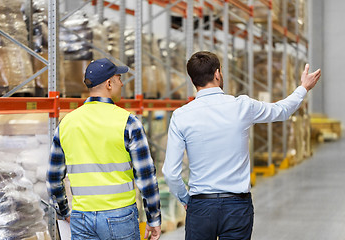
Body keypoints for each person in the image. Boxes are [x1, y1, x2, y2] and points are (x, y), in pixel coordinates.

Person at [162, 51, 321, 240]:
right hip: (236, 207)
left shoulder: (181, 116)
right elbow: (282, 111)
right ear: (217, 74)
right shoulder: (242, 106)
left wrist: (188, 200)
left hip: (201, 206)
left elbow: (171, 173)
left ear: (192, 79)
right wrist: (303, 87)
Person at [46, 58, 161, 240]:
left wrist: (64, 211)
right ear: (109, 83)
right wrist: (153, 218)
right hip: (119, 216)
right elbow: (146, 176)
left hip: (81, 216)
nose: (122, 84)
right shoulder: (128, 122)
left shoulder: (66, 123)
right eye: (119, 78)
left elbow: (53, 179)